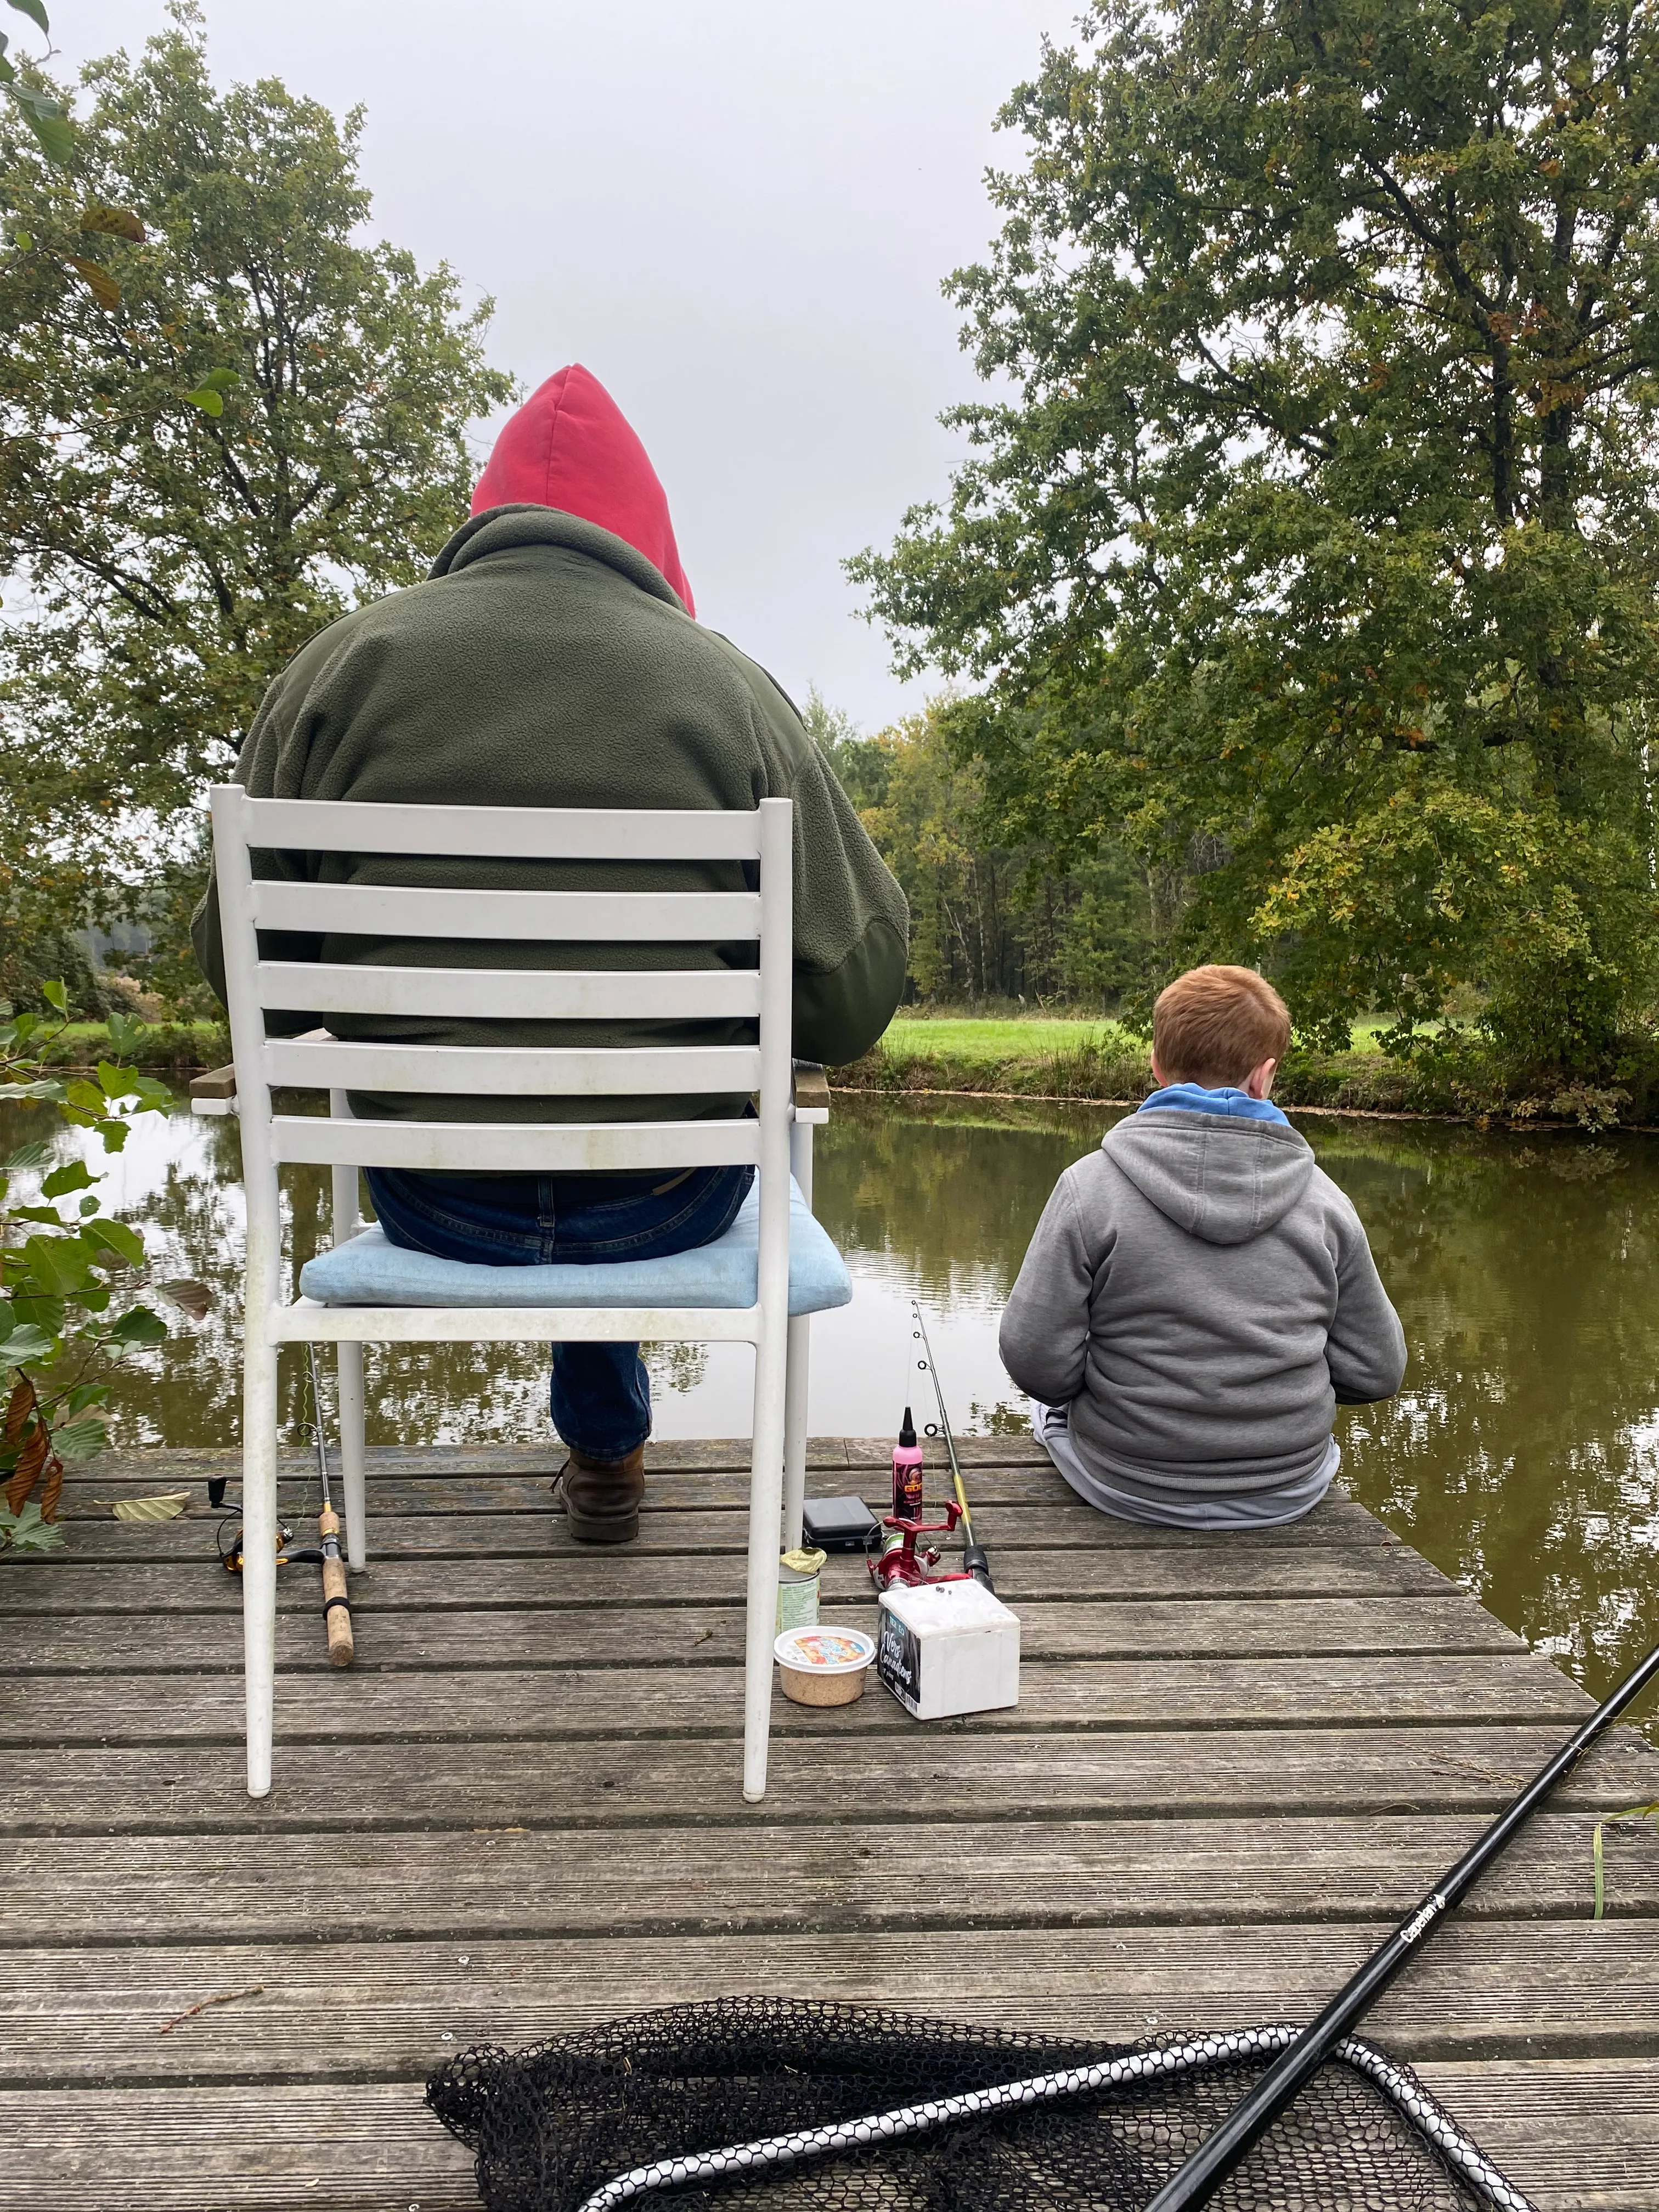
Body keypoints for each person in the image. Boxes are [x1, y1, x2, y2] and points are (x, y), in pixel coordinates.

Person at [193, 363, 907, 1543]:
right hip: (666, 1204)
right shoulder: (731, 689)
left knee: (554, 1127)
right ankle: (611, 1454)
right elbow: (851, 1008)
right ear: (649, 542)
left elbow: (241, 976)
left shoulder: (334, 671)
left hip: (433, 1200)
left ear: (483, 516)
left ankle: (576, 1457)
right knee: (620, 1132)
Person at [998, 964, 1405, 1528]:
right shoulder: (1326, 1203)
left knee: (1049, 1410)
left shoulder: (1088, 1188)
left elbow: (1034, 1358)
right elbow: (1377, 1371)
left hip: (1129, 1485)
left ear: (1157, 1066)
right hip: (1287, 1489)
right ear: (1264, 1078)